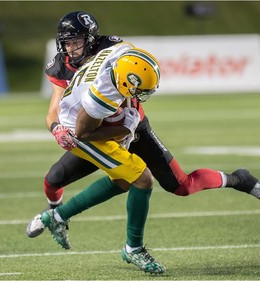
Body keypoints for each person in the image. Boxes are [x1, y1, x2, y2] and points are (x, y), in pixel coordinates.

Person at [26, 10, 260, 272]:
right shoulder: (82, 85)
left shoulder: (114, 50)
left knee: (179, 186)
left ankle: (238, 179)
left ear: (91, 39)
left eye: (76, 41)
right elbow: (74, 122)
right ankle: (65, 218)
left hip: (125, 123)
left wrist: (127, 126)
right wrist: (57, 129)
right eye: (67, 42)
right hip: (92, 128)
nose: (71, 47)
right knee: (68, 177)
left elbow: (129, 85)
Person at [39, 39, 166, 273]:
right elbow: (84, 132)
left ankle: (58, 217)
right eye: (139, 90)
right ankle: (134, 248)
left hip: (82, 111)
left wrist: (127, 118)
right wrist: (127, 126)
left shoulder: (123, 51)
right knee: (143, 178)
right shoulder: (100, 96)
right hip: (74, 131)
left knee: (123, 180)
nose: (140, 96)